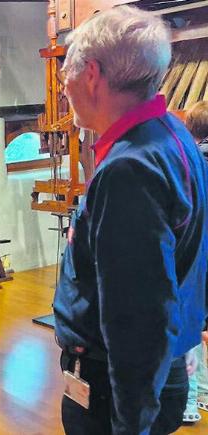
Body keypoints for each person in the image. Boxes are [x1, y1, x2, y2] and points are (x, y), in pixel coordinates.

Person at [52, 6, 208, 435]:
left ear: (91, 74)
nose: (63, 84)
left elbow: (137, 317)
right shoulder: (175, 137)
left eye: (66, 70)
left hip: (113, 391)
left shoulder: (129, 168)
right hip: (157, 373)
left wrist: (130, 425)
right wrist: (183, 341)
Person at [182, 100, 208, 423]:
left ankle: (187, 403)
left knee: (192, 325)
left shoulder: (190, 166)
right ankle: (203, 392)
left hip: (197, 258)